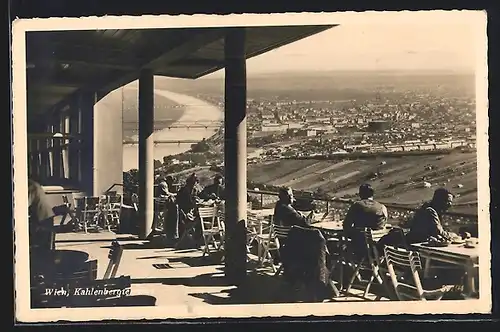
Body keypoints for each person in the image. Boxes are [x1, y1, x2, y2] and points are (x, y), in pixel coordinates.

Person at [28, 179, 56, 258]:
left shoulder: (31, 186)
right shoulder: (35, 185)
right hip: (45, 216)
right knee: (47, 242)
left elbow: (25, 203)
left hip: (42, 217)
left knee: (43, 243)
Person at [175, 173, 203, 246]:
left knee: (201, 219)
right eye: (194, 182)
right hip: (187, 213)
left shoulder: (192, 189)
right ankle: (197, 239)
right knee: (200, 220)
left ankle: (197, 238)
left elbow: (199, 195)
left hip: (190, 211)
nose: (195, 184)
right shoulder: (185, 190)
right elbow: (188, 201)